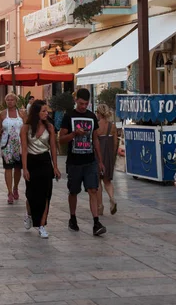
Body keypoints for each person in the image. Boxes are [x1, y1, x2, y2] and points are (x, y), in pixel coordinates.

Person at [59, 88, 107, 237]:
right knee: (73, 191)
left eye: (86, 104)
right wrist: (74, 134)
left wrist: (100, 161)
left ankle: (96, 222)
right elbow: (61, 139)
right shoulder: (69, 116)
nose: (83, 106)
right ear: (76, 100)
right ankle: (72, 218)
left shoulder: (92, 117)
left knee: (93, 189)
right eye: (81, 103)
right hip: (74, 161)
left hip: (89, 161)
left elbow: (95, 139)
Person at [20, 100, 61, 239]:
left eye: (47, 111)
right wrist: (24, 168)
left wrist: (55, 166)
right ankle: (29, 214)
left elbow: (54, 148)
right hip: (31, 161)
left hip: (44, 161)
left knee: (45, 195)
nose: (46, 113)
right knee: (31, 194)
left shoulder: (49, 127)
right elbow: (24, 149)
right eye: (43, 111)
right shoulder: (26, 128)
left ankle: (42, 225)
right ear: (36, 113)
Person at [0, 93, 26, 204]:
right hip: (6, 145)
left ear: (16, 101)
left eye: (12, 99)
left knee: (18, 168)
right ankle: (9, 192)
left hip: (19, 145)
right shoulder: (3, 114)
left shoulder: (22, 114)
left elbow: (26, 129)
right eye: (7, 100)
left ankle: (16, 187)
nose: (10, 101)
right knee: (8, 168)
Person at [96, 104, 119, 216]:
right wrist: (112, 156)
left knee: (98, 181)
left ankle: (100, 206)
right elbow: (115, 143)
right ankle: (112, 198)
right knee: (107, 181)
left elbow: (94, 142)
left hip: (98, 155)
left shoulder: (96, 126)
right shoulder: (112, 126)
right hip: (109, 155)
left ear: (99, 113)